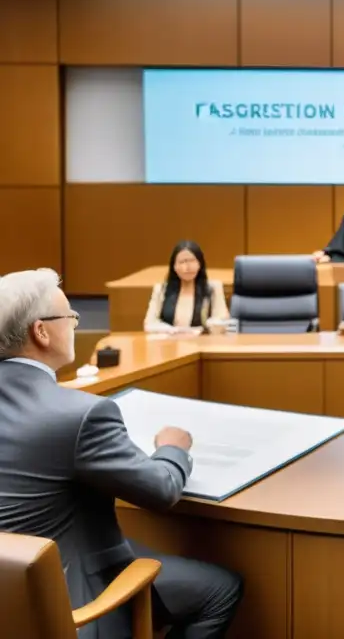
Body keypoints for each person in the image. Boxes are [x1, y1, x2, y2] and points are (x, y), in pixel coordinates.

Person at [0, 269, 242, 638]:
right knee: (220, 589)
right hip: (69, 603)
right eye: (70, 317)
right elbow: (160, 489)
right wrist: (172, 448)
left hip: (9, 593)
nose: (76, 326)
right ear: (41, 331)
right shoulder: (81, 414)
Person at [144, 240, 229, 333]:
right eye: (182, 262)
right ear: (174, 267)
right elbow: (149, 323)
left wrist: (202, 329)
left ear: (200, 264)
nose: (187, 267)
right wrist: (173, 331)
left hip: (202, 343)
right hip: (170, 343)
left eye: (192, 261)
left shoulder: (212, 288)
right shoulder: (161, 289)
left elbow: (222, 321)